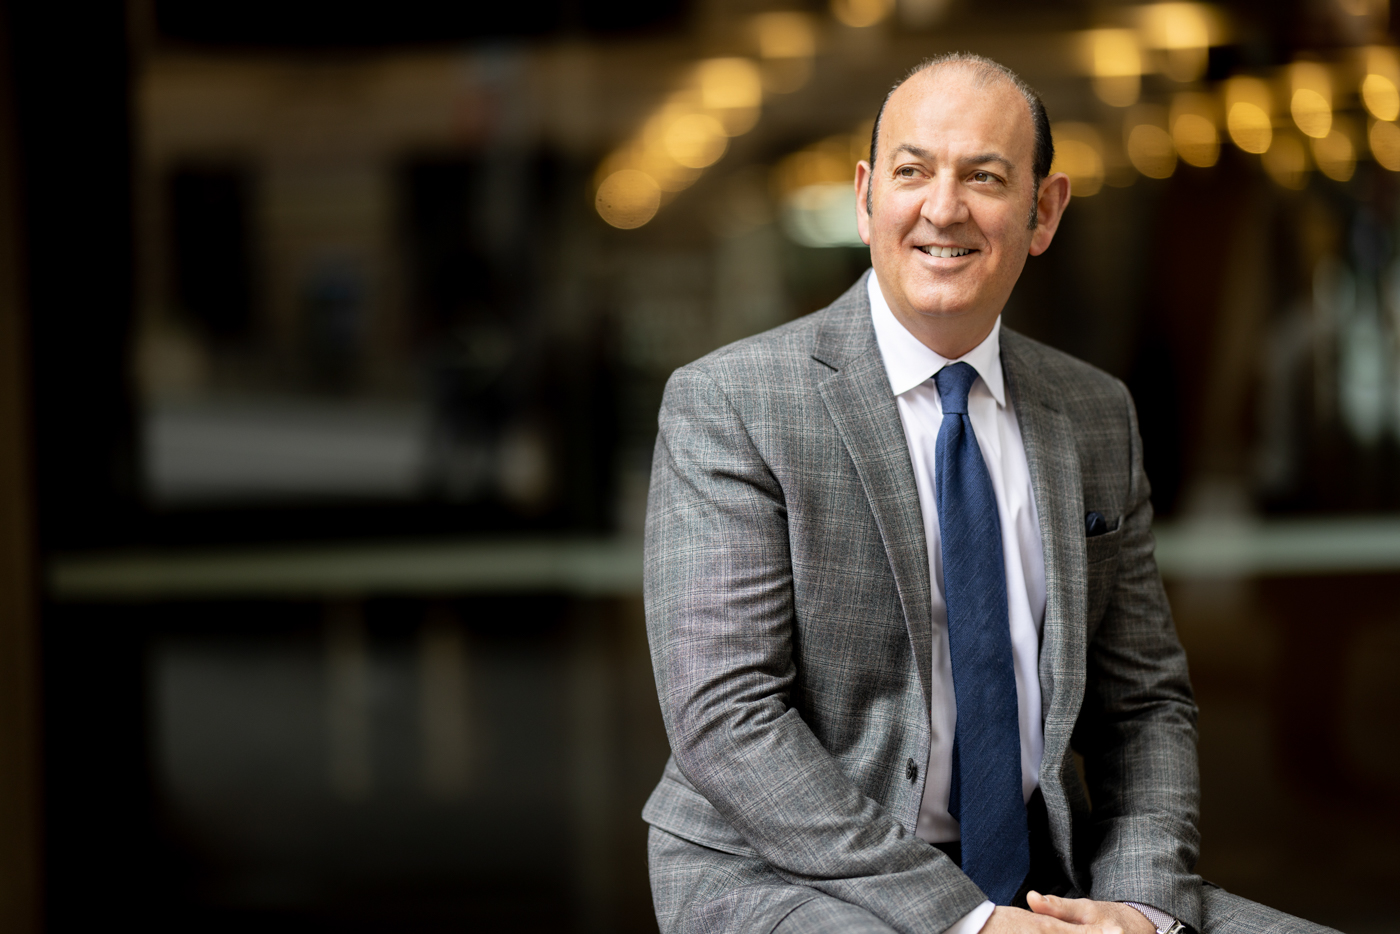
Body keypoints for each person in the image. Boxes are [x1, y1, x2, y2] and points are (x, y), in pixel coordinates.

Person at [641, 52, 1334, 934]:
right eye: (912, 171)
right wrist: (967, 923)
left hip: (1049, 880)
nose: (942, 207)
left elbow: (1146, 703)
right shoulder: (731, 403)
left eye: (985, 176)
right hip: (788, 875)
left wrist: (1140, 904)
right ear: (864, 198)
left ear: (1044, 212)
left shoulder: (1095, 413)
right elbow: (727, 723)